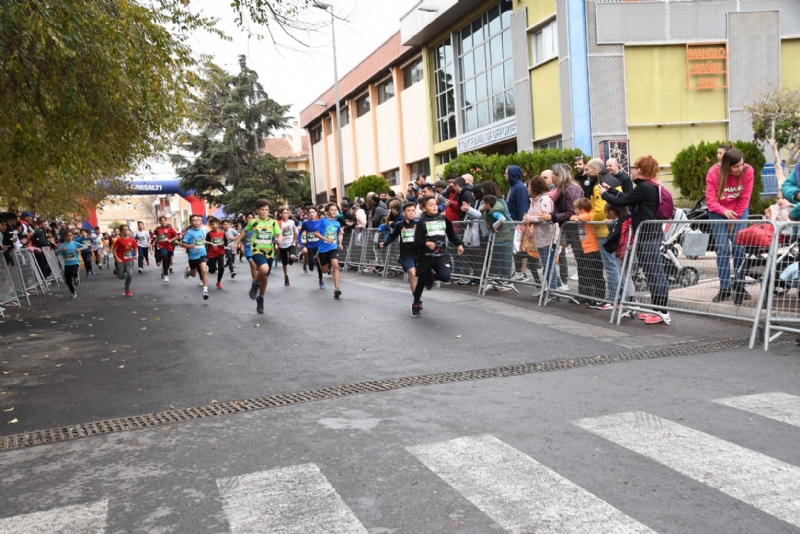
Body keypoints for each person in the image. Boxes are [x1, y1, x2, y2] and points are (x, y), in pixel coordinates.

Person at [601, 155, 670, 324]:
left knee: (654, 273)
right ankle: (657, 310)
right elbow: (628, 198)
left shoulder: (645, 188)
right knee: (652, 273)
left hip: (648, 235)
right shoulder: (647, 187)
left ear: (641, 170)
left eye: (633, 167)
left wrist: (604, 194)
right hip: (648, 234)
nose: (630, 170)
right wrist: (610, 190)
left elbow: (622, 201)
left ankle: (662, 312)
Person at [705, 148, 754, 305]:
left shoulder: (748, 171)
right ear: (727, 166)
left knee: (739, 247)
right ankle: (724, 287)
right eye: (736, 166)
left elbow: (745, 197)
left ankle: (740, 285)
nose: (740, 169)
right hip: (718, 211)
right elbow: (710, 200)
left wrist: (735, 218)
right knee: (723, 248)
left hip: (739, 211)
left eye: (742, 164)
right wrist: (724, 211)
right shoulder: (713, 172)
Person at [535, 163, 584, 298]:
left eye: (554, 175)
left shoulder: (571, 190)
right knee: (579, 260)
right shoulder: (562, 190)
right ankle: (583, 293)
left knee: (582, 261)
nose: (553, 178)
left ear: (559, 176)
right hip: (569, 230)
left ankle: (586, 294)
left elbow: (571, 212)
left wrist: (552, 216)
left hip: (577, 230)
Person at [412, 196, 463, 317]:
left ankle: (432, 276)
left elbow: (451, 235)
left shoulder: (444, 219)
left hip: (440, 255)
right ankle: (415, 303)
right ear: (424, 208)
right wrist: (426, 243)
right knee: (422, 282)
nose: (434, 207)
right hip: (426, 257)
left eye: (435, 204)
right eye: (430, 205)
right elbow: (416, 240)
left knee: (446, 276)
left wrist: (459, 244)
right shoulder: (421, 222)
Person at [231, 200, 280, 313]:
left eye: (267, 210)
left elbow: (279, 234)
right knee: (264, 269)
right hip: (257, 251)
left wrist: (280, 239)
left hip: (269, 253)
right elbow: (244, 232)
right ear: (258, 211)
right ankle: (255, 284)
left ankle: (261, 298)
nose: (264, 212)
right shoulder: (253, 222)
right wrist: (236, 243)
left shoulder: (273, 222)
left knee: (265, 278)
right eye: (262, 210)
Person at [588, 158, 621, 305]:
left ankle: (614, 297)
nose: (586, 172)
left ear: (596, 170)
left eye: (588, 169)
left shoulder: (599, 185)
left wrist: (591, 220)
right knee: (615, 265)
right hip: (615, 226)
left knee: (610, 265)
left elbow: (600, 210)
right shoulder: (615, 181)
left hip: (603, 229)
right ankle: (620, 297)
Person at [524, 175, 558, 295]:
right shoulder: (534, 201)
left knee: (548, 263)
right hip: (540, 235)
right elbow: (531, 215)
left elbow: (545, 216)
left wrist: (530, 218)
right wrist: (529, 218)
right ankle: (552, 287)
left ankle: (553, 289)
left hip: (548, 235)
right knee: (546, 263)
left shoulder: (544, 200)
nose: (527, 189)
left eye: (529, 187)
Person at [570, 198, 608, 308]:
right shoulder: (580, 217)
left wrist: (577, 218)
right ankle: (591, 296)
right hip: (586, 249)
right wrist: (576, 217)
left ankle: (600, 297)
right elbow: (572, 218)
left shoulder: (589, 215)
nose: (574, 210)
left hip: (593, 249)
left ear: (582, 210)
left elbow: (587, 216)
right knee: (588, 273)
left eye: (576, 209)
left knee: (596, 274)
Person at [380, 202, 419, 295]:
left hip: (418, 254)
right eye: (408, 211)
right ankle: (417, 300)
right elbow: (392, 236)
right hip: (406, 254)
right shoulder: (399, 225)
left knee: (415, 277)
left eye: (413, 210)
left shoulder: (419, 223)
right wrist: (384, 243)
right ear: (403, 213)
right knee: (413, 274)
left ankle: (416, 297)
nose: (411, 213)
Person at [314, 203, 344, 298]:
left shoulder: (337, 223)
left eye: (335, 210)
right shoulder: (323, 221)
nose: (334, 211)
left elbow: (339, 233)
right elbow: (316, 233)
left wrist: (340, 243)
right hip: (323, 249)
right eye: (332, 210)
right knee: (324, 270)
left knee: (335, 265)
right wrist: (326, 239)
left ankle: (337, 288)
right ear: (327, 212)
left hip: (333, 248)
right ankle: (318, 258)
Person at [181, 214, 210, 300]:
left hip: (202, 253)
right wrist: (189, 246)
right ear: (191, 222)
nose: (197, 222)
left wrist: (210, 243)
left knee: (204, 271)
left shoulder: (202, 231)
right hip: (193, 256)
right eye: (194, 220)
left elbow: (202, 240)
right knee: (193, 274)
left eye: (198, 220)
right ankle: (188, 272)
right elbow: (182, 243)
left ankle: (205, 291)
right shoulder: (189, 232)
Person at [56, 230, 88, 299]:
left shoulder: (75, 243)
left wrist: (79, 249)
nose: (69, 237)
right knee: (68, 281)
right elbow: (56, 253)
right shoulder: (62, 245)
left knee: (73, 273)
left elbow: (86, 247)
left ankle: (76, 278)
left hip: (75, 262)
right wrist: (61, 250)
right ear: (64, 237)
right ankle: (73, 292)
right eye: (68, 235)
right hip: (67, 264)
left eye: (71, 235)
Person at [112, 224, 137, 297]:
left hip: (129, 259)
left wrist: (136, 255)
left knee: (129, 273)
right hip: (120, 259)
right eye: (124, 230)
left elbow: (136, 248)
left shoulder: (132, 240)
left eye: (127, 229)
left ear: (129, 231)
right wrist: (117, 258)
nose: (126, 231)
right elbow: (114, 249)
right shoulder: (119, 240)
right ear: (121, 232)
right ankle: (117, 270)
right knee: (121, 276)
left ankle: (127, 289)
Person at [153, 216, 178, 282]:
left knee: (168, 260)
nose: (163, 222)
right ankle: (166, 275)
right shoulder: (158, 230)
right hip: (162, 246)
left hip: (169, 247)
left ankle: (166, 271)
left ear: (166, 221)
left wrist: (170, 240)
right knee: (165, 257)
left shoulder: (170, 229)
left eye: (164, 220)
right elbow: (157, 237)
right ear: (160, 222)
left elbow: (176, 236)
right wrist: (155, 243)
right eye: (162, 220)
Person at [278, 208, 298, 286]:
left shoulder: (292, 222)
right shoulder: (278, 223)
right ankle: (286, 277)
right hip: (282, 245)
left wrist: (294, 240)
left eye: (287, 213)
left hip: (291, 243)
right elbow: (277, 234)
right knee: (284, 263)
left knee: (293, 257)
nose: (286, 214)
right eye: (284, 213)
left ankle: (291, 260)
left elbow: (296, 232)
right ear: (281, 214)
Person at [205, 217, 227, 289]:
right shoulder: (209, 234)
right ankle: (207, 262)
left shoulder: (223, 233)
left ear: (218, 224)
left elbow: (226, 242)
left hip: (220, 252)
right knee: (212, 271)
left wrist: (223, 242)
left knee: (221, 268)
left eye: (213, 224)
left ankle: (218, 281)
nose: (212, 226)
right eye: (210, 225)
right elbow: (205, 243)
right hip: (211, 254)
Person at [300, 207, 321, 274]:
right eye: (310, 212)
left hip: (318, 244)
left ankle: (325, 269)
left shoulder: (319, 222)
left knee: (321, 259)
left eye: (313, 212)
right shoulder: (305, 223)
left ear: (316, 213)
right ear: (308, 214)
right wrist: (300, 242)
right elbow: (300, 233)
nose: (311, 214)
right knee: (310, 261)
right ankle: (308, 264)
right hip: (309, 245)